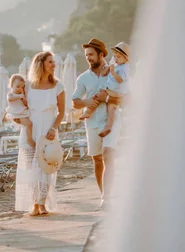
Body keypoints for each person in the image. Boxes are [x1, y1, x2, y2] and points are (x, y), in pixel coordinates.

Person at [72, 38, 123, 208]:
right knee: (97, 160)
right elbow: (75, 102)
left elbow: (125, 97)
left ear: (101, 54)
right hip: (92, 123)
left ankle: (106, 198)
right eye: (87, 56)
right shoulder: (83, 78)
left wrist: (106, 98)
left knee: (108, 154)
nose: (89, 58)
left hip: (111, 120)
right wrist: (88, 103)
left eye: (91, 55)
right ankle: (103, 193)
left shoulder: (115, 72)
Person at [15, 51, 66, 216]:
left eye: (54, 62)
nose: (54, 65)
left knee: (46, 167)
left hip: (48, 131)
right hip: (30, 130)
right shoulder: (28, 86)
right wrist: (21, 121)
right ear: (41, 64)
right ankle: (33, 204)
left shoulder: (58, 86)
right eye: (50, 62)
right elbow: (18, 107)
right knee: (31, 169)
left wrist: (54, 129)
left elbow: (61, 113)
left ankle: (42, 203)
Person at [80, 42, 131, 138]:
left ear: (126, 58)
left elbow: (120, 79)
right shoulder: (116, 64)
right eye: (115, 56)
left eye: (119, 57)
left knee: (100, 97)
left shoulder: (124, 68)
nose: (116, 59)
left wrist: (112, 72)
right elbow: (106, 71)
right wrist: (107, 70)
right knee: (109, 106)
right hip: (111, 89)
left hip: (117, 91)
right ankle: (107, 125)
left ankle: (89, 111)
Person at [6, 74, 34, 148]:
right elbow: (9, 99)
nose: (20, 89)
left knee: (30, 124)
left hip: (23, 113)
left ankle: (29, 136)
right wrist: (19, 97)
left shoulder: (22, 95)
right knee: (29, 124)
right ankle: (29, 139)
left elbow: (26, 104)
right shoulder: (11, 94)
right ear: (12, 85)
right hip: (17, 114)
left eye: (22, 87)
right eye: (18, 86)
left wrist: (23, 98)